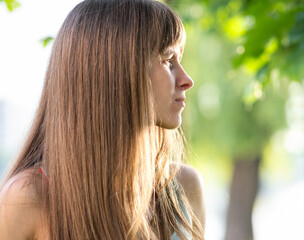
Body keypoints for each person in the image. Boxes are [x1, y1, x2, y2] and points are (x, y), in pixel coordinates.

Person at [0, 0, 205, 239]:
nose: (187, 79)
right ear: (116, 71)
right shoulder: (28, 199)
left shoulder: (184, 189)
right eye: (168, 61)